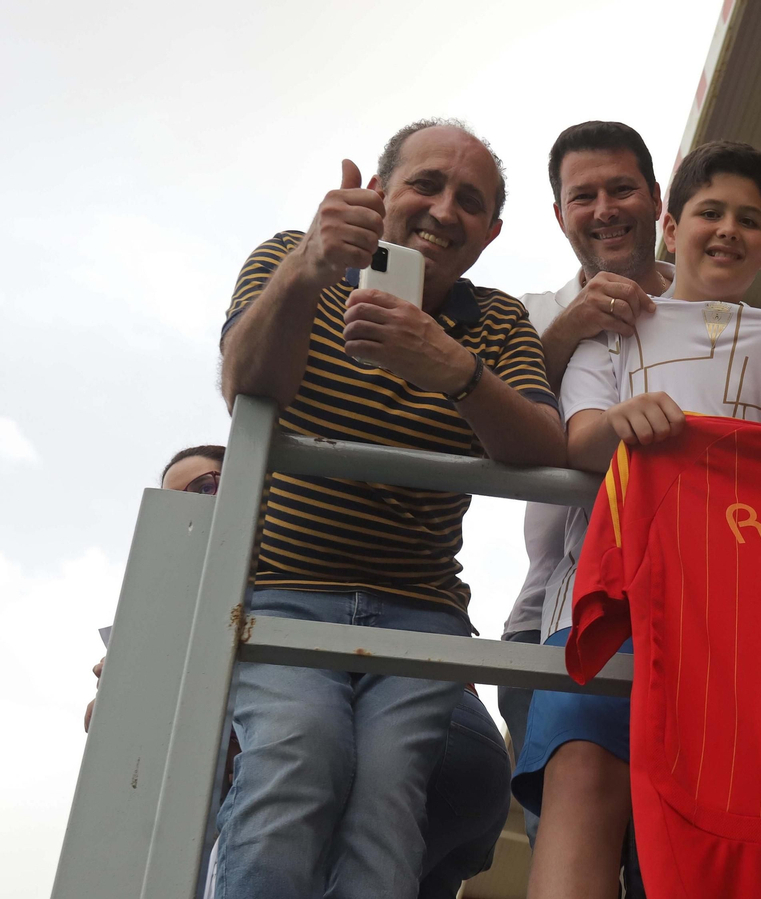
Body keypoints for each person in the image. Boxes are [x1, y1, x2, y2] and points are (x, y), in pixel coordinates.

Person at [216, 118, 565, 898]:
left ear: (492, 232)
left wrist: (457, 371)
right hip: (283, 592)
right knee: (297, 760)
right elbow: (246, 382)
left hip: (418, 609)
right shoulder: (289, 255)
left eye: (470, 201)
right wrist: (312, 267)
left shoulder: (498, 319)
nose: (445, 210)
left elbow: (543, 441)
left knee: (388, 801)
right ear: (377, 193)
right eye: (426, 185)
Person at [518, 140, 761, 899]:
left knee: (715, 836)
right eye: (710, 212)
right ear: (671, 227)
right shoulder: (613, 326)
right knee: (584, 780)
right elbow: (576, 441)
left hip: (752, 627)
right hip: (607, 603)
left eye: (749, 219)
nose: (728, 231)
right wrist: (621, 423)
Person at [85, 444, 512, 898]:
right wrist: (131, 677)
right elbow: (104, 722)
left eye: (209, 485)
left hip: (425, 741)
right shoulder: (223, 590)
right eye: (184, 502)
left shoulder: (270, 576)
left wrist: (145, 676)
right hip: (454, 761)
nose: (201, 508)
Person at [499, 121, 678, 855]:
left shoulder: (717, 310)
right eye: (584, 195)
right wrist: (569, 329)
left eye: (621, 188)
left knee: (674, 842)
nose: (604, 207)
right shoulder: (532, 313)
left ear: (656, 197)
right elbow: (492, 410)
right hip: (553, 610)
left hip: (696, 618)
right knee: (570, 839)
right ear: (559, 214)